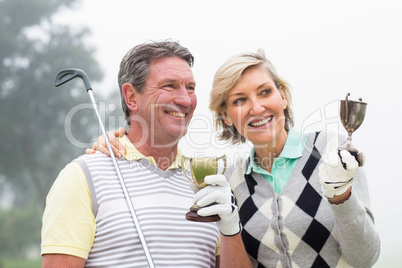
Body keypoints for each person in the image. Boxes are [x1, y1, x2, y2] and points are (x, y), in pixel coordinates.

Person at [97, 49, 380, 267]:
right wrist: (121, 140)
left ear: (282, 97)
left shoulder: (331, 150)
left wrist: (341, 196)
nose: (256, 108)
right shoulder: (231, 182)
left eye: (265, 92)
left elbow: (364, 258)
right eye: (239, 100)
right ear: (226, 116)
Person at [41, 40, 221, 267]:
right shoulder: (81, 177)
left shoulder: (206, 182)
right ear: (131, 97)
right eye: (169, 86)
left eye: (191, 88)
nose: (185, 99)